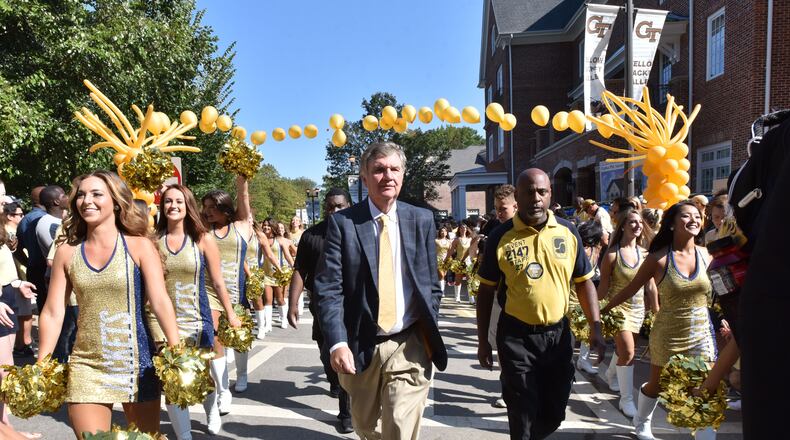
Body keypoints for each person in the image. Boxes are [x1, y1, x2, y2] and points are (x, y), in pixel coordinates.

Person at [314, 142, 448, 440]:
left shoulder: (421, 219)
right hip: (361, 342)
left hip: (410, 342)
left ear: (403, 175)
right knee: (366, 427)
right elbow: (328, 289)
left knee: (400, 425)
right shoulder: (343, 224)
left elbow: (429, 283)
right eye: (378, 170)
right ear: (364, 178)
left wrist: (430, 322)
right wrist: (337, 342)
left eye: (394, 169)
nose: (387, 176)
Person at [38, 170, 180, 437]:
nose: (86, 200)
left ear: (116, 201)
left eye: (96, 194)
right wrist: (42, 364)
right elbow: (54, 311)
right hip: (86, 366)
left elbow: (160, 301)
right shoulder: (67, 252)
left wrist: (177, 352)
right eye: (81, 195)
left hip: (138, 365)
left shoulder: (139, 246)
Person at [476, 169, 605, 440]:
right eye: (529, 192)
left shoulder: (568, 231)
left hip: (558, 337)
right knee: (522, 412)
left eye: (542, 192)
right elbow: (486, 292)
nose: (536, 198)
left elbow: (584, 282)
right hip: (516, 337)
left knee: (554, 413)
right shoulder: (501, 236)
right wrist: (482, 340)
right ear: (518, 197)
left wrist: (596, 326)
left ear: (550, 195)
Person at [602, 200, 717, 440]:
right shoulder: (658, 258)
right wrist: (599, 312)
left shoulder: (707, 255)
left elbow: (721, 292)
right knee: (657, 385)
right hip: (667, 334)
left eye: (698, 216)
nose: (694, 220)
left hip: (701, 335)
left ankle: (705, 435)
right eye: (686, 216)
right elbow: (631, 289)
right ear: (673, 224)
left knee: (702, 389)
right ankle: (642, 422)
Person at [156, 184, 242, 438]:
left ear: (188, 206)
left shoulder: (203, 239)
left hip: (196, 318)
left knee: (202, 377)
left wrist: (231, 313)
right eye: (168, 201)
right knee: (172, 379)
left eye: (179, 201)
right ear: (162, 206)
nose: (173, 206)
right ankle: (184, 435)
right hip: (162, 321)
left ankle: (212, 411)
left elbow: (217, 282)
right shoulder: (153, 241)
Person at [201, 176, 277, 412]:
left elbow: (243, 197)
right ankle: (223, 389)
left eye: (214, 207)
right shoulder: (203, 231)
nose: (209, 212)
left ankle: (242, 375)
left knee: (239, 338)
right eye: (206, 208)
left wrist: (242, 179)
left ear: (225, 208)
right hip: (209, 291)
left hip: (237, 291)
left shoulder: (241, 227)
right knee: (215, 338)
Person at [287, 188, 353, 434]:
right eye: (330, 207)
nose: (334, 211)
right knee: (327, 353)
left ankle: (346, 413)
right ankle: (334, 379)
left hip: (352, 307)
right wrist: (293, 304)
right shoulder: (311, 236)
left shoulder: (357, 230)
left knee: (345, 353)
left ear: (348, 205)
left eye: (340, 206)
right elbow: (300, 270)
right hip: (322, 307)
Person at [597, 208, 658, 418]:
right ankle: (626, 399)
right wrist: (593, 309)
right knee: (629, 353)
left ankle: (611, 373)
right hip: (617, 309)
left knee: (624, 351)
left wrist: (656, 312)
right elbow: (603, 287)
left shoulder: (646, 254)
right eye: (632, 222)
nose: (637, 225)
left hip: (639, 309)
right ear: (622, 226)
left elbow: (650, 287)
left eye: (639, 222)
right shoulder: (612, 254)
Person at [1, 203, 39, 439]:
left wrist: (16, 284)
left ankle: (5, 427)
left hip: (7, 296)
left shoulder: (3, 230)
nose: (4, 202)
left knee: (5, 371)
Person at [486, 183, 518, 409]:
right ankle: (506, 387)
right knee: (501, 346)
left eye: (502, 209)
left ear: (516, 206)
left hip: (526, 303)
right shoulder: (495, 232)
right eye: (496, 208)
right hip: (500, 299)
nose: (498, 213)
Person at [573, 220, 604, 376]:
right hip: (572, 299)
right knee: (574, 333)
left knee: (587, 329)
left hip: (584, 297)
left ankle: (582, 360)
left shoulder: (596, 249)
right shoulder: (581, 251)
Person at [256, 218, 293, 331]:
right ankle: (268, 324)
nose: (266, 227)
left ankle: (283, 319)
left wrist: (294, 266)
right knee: (267, 299)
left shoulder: (280, 240)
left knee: (280, 298)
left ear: (273, 227)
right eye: (265, 225)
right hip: (266, 274)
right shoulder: (261, 240)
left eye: (268, 225)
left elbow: (287, 256)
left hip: (278, 274)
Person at [444, 223, 472, 303]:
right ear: (459, 230)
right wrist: (446, 259)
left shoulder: (470, 239)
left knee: (469, 280)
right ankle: (457, 297)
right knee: (458, 280)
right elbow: (451, 251)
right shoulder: (456, 240)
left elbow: (475, 236)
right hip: (459, 261)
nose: (463, 229)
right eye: (462, 228)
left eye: (465, 228)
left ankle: (471, 298)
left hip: (468, 262)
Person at [435, 226, 451, 295]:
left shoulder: (449, 241)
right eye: (441, 231)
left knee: (444, 275)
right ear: (439, 232)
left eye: (444, 231)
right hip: (438, 259)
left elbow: (451, 250)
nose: (443, 232)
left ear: (446, 232)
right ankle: (441, 291)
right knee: (441, 275)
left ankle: (442, 290)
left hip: (446, 260)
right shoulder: (436, 240)